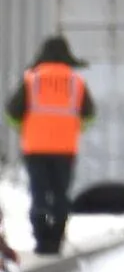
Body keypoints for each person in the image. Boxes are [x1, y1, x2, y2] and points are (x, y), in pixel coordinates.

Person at [5, 36, 95, 257]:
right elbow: (90, 115)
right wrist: (74, 129)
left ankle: (41, 239)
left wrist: (24, 129)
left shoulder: (31, 80)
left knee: (39, 194)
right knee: (60, 194)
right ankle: (55, 240)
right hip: (65, 149)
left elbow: (11, 113)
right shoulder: (76, 82)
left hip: (35, 148)